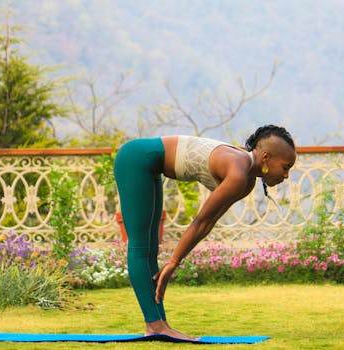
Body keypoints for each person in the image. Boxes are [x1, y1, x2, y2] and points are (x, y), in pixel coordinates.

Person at [113, 124, 296, 340]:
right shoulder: (238, 173)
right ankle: (154, 325)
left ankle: (159, 324)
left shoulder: (246, 181)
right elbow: (201, 220)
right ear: (265, 157)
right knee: (141, 246)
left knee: (150, 249)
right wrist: (174, 261)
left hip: (150, 165)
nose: (286, 175)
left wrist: (175, 260)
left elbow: (208, 223)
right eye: (285, 167)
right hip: (135, 159)